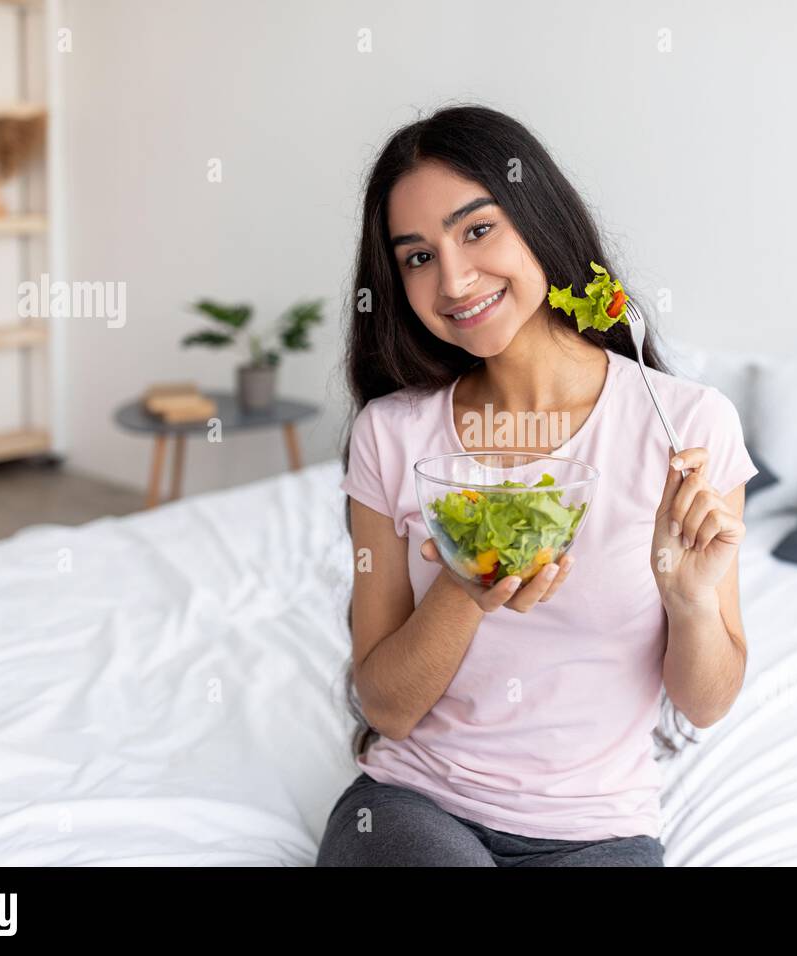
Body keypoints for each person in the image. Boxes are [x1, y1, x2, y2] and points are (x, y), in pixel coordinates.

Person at [316, 104, 758, 867]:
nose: (453, 279)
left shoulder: (688, 427)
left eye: (477, 230)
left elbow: (706, 702)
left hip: (601, 834)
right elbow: (386, 706)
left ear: (540, 223)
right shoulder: (392, 434)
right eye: (417, 257)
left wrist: (687, 601)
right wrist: (464, 585)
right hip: (417, 807)